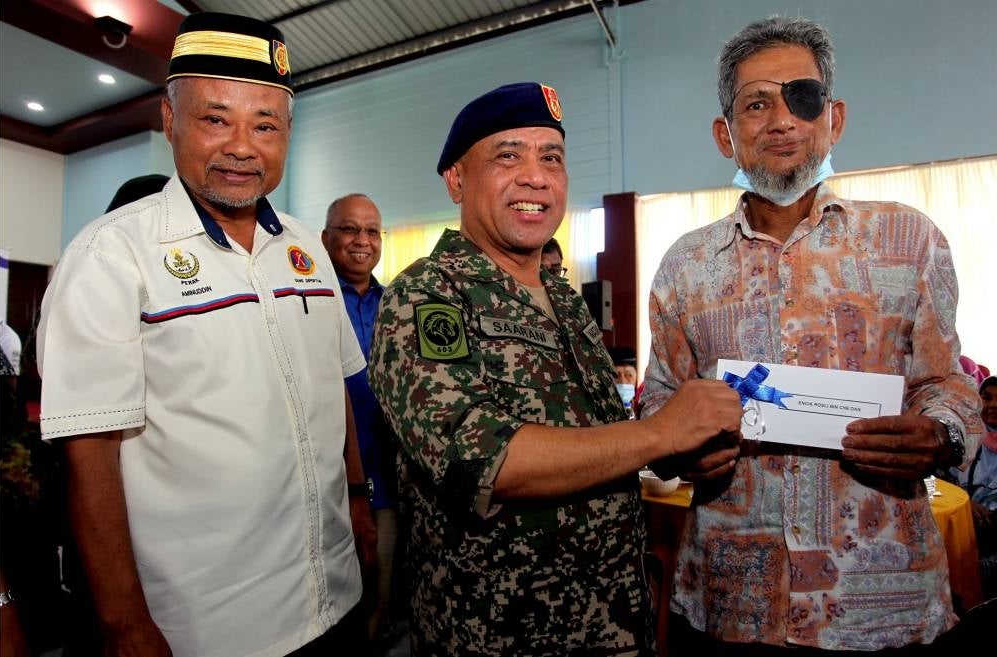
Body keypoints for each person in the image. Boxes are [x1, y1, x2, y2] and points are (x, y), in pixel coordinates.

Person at [641, 16, 983, 654]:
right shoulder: (685, 265)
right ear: (725, 133)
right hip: (731, 604)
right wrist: (676, 448)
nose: (782, 121)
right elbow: (658, 398)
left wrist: (940, 434)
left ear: (835, 118)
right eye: (756, 103)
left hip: (880, 603)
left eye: (803, 97)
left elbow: (946, 383)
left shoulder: (909, 240)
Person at [37, 12, 373, 657]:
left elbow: (335, 388)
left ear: (288, 133)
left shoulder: (306, 245)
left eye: (265, 125)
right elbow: (90, 452)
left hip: (335, 595)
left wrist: (358, 499)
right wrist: (124, 624)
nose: (242, 147)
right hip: (208, 627)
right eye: (216, 119)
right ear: (170, 121)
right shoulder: (112, 255)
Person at [367, 81, 743, 656]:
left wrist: (678, 451)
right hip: (504, 636)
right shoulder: (427, 295)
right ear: (456, 180)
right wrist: (659, 433)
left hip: (612, 619)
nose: (536, 177)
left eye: (552, 158)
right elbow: (481, 459)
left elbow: (598, 436)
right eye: (508, 156)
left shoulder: (563, 299)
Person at [321, 193, 401, 648]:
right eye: (350, 229)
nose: (362, 241)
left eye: (372, 231)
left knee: (379, 595)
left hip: (386, 479)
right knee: (331, 605)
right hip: (326, 481)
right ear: (325, 238)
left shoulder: (397, 306)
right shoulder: (310, 301)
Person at [958, 375, 997, 599]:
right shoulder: (963, 436)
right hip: (963, 523)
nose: (993, 405)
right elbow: (932, 481)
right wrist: (963, 502)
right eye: (987, 398)